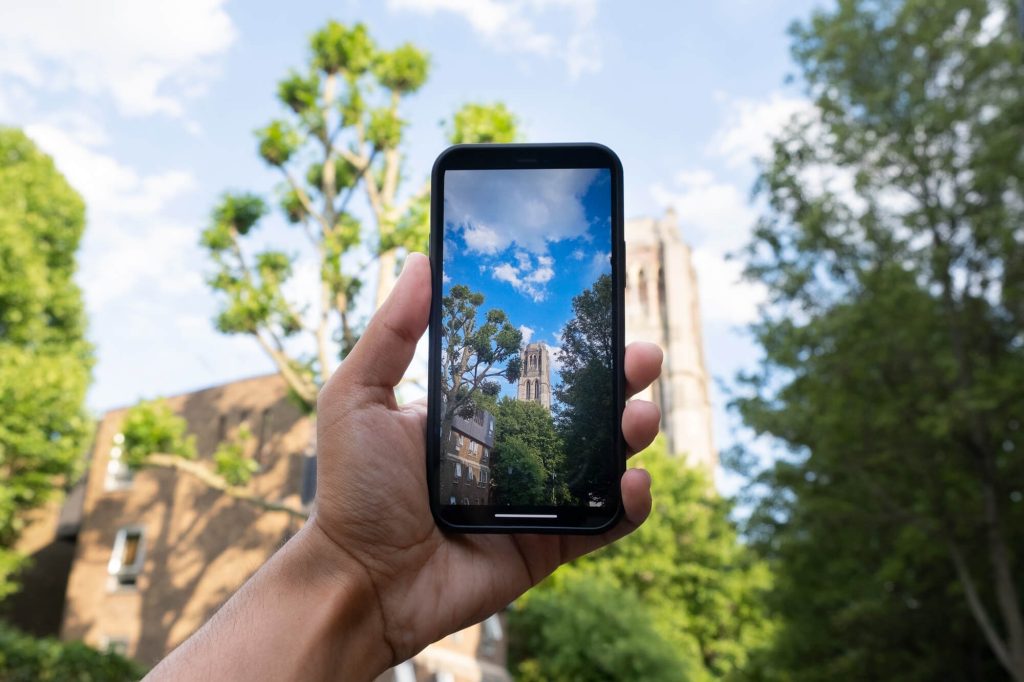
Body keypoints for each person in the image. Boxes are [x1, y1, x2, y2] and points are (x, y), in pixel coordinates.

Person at [144, 253, 663, 681]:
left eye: (534, 369)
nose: (530, 374)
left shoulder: (543, 403)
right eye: (528, 369)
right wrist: (353, 564)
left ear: (540, 372)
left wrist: (356, 575)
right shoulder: (493, 411)